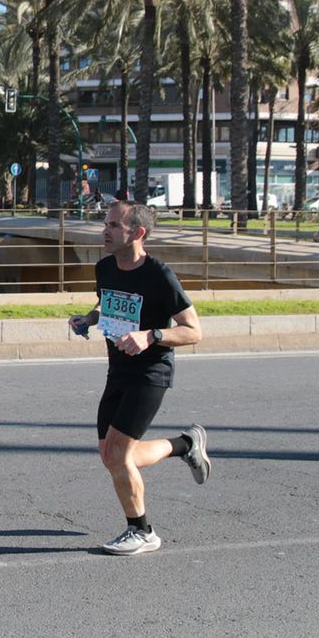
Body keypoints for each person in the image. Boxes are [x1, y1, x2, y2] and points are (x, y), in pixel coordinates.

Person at [68, 200, 210, 556]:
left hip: (150, 373)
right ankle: (186, 445)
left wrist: (152, 336)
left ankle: (142, 530)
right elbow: (108, 306)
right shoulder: (105, 268)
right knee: (111, 455)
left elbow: (194, 331)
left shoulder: (159, 275)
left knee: (117, 454)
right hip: (117, 370)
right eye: (106, 223)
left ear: (138, 233)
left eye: (115, 225)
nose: (106, 230)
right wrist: (88, 319)